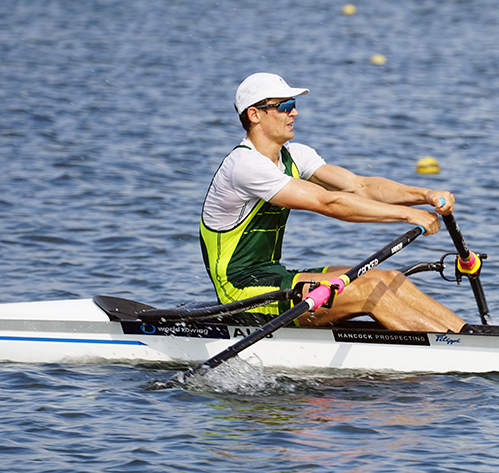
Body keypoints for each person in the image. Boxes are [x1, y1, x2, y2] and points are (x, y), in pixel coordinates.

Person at [200, 72, 468, 333]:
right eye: (285, 106)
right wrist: (408, 215)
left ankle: (467, 336)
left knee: (389, 280)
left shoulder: (295, 155)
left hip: (271, 276)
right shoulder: (245, 166)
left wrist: (425, 196)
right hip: (240, 292)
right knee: (367, 292)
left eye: (294, 105)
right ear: (254, 114)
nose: (294, 113)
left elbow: (359, 186)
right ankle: (457, 353)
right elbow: (328, 203)